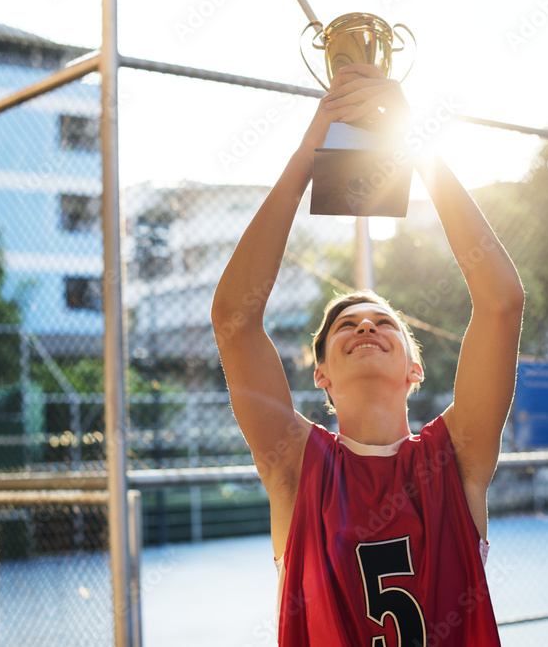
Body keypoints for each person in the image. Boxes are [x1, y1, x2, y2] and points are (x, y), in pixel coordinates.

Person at [211, 63, 524, 646]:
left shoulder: (455, 457)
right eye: (344, 325)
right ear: (322, 375)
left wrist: (418, 143)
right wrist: (310, 151)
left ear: (414, 369)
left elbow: (502, 303)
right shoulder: (296, 466)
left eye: (385, 321)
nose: (365, 324)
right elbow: (234, 320)